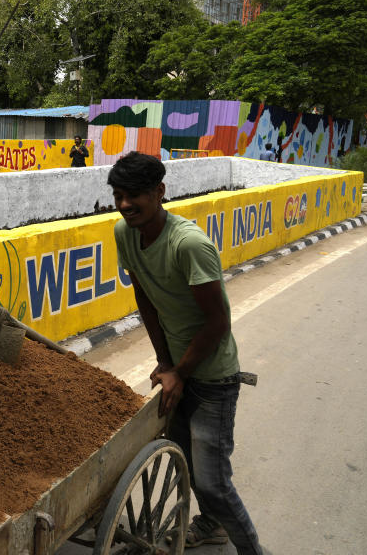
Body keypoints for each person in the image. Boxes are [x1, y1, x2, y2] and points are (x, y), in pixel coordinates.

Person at [108, 152, 262, 554]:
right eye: (118, 195)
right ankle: (211, 525)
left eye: (135, 195)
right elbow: (145, 294)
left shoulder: (189, 244)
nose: (125, 205)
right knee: (188, 464)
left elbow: (218, 322)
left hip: (213, 377)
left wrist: (183, 370)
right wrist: (164, 362)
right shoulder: (125, 233)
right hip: (179, 367)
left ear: (159, 192)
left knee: (212, 481)